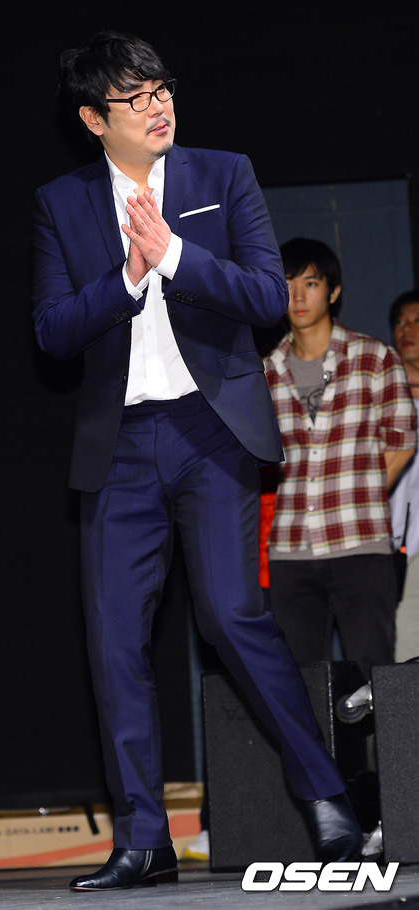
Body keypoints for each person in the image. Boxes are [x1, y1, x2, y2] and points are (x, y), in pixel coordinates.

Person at [32, 34, 362, 892]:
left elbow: (266, 296)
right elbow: (53, 331)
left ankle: (327, 795)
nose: (158, 107)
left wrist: (175, 256)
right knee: (115, 641)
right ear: (93, 119)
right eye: (135, 98)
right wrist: (126, 276)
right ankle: (145, 838)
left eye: (162, 90)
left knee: (230, 613)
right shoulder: (62, 204)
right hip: (117, 445)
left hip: (211, 431)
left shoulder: (223, 174)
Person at [265, 238, 416, 683]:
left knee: (375, 679)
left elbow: (402, 441)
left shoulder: (375, 358)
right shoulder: (265, 371)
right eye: (287, 284)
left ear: (333, 291)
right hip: (290, 547)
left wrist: (360, 494)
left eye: (310, 283)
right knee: (301, 681)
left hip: (360, 542)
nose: (297, 296)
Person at [388, 290, 419, 660]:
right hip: (402, 550)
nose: (406, 329)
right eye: (400, 322)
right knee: (405, 668)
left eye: (416, 321)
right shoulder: (384, 398)